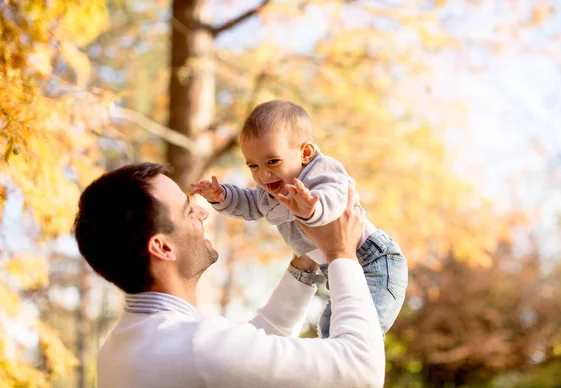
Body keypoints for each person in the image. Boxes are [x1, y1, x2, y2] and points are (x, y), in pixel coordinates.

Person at [74, 162, 385, 388]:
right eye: (187, 211)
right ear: (162, 247)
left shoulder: (119, 348)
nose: (203, 211)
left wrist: (305, 258)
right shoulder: (197, 348)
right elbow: (361, 370)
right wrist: (341, 253)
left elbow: (245, 357)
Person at [191, 99, 408, 338]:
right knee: (329, 331)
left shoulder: (321, 171)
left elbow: (336, 197)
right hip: (336, 268)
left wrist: (311, 210)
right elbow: (251, 204)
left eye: (273, 161)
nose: (263, 174)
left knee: (355, 335)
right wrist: (222, 196)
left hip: (374, 263)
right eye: (253, 165)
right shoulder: (269, 189)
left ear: (305, 153)